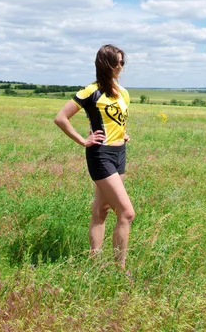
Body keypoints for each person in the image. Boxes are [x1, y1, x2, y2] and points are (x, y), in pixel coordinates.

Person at [54, 44, 134, 269]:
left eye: (122, 62)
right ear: (104, 64)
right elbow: (61, 118)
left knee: (102, 210)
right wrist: (83, 140)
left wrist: (122, 134)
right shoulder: (91, 91)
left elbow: (116, 120)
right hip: (101, 155)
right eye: (116, 62)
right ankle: (120, 270)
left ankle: (95, 263)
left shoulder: (123, 93)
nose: (120, 66)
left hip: (119, 154)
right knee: (126, 213)